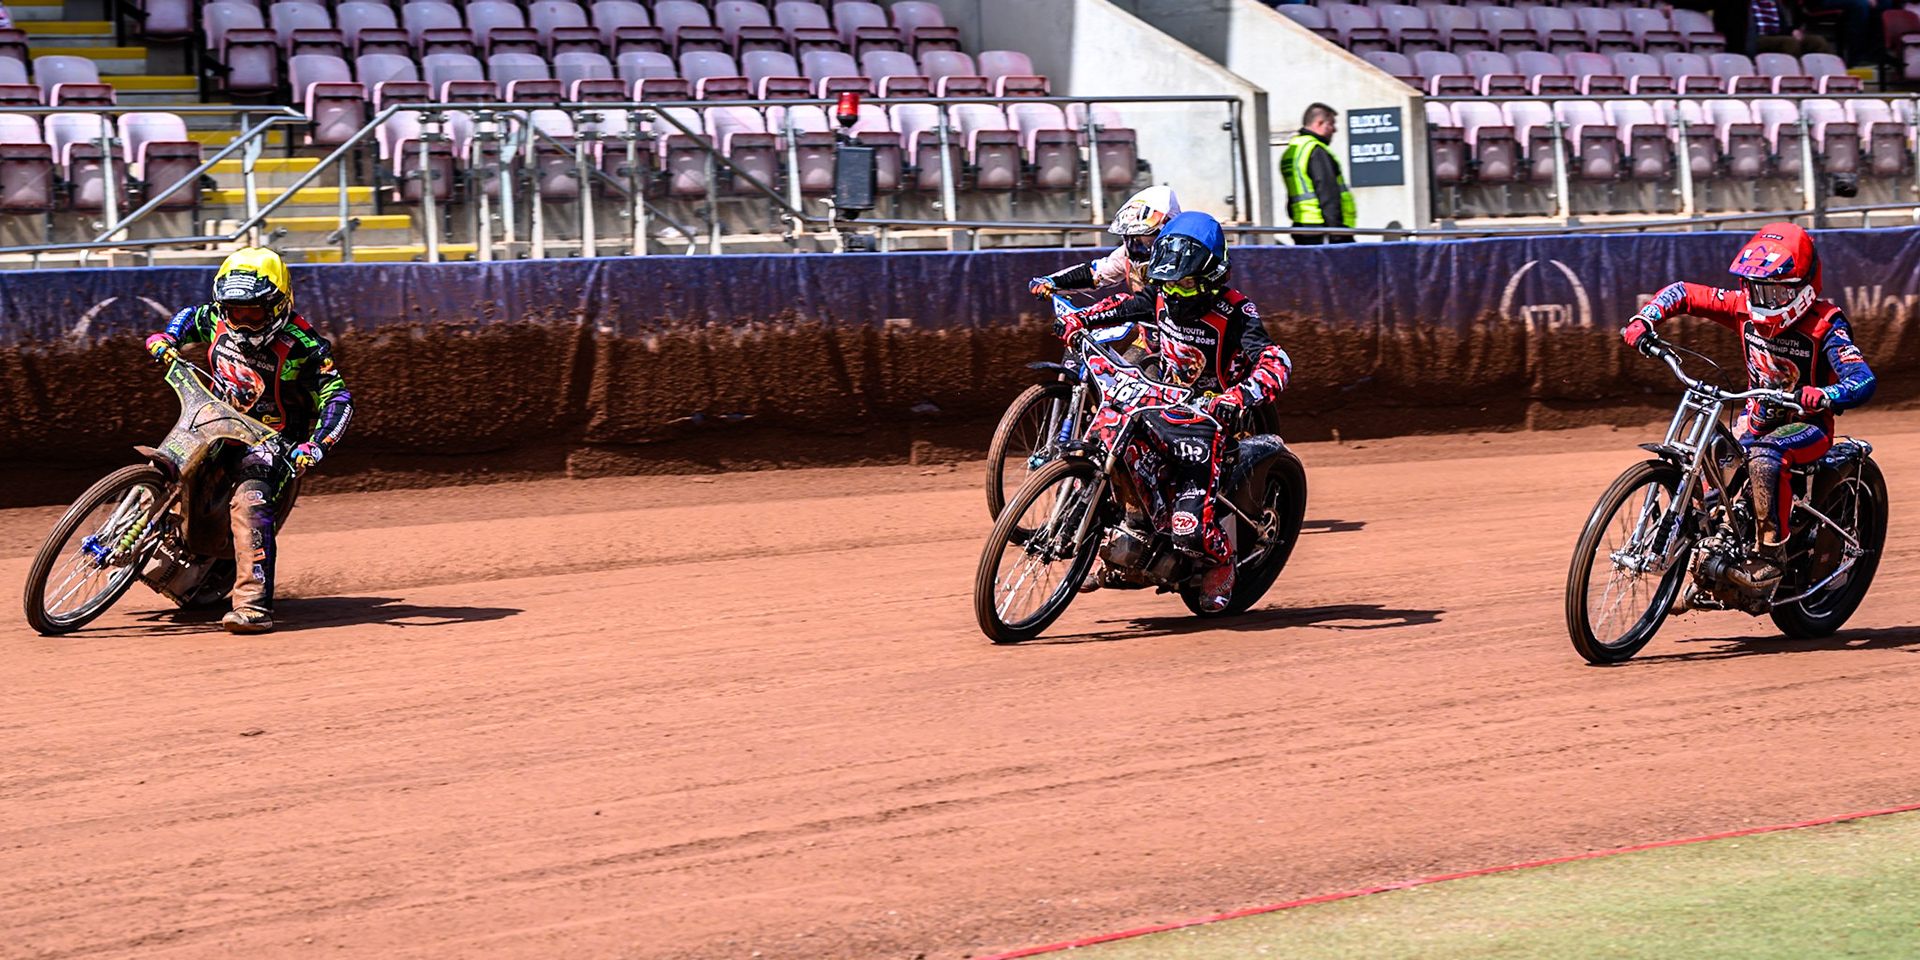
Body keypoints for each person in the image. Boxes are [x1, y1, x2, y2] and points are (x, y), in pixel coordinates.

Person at [1058, 212, 1293, 611]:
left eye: (1186, 284)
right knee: (1106, 442)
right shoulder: (1162, 293)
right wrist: (1082, 318)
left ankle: (1222, 560)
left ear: (1213, 276)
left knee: (1187, 528)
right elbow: (1123, 305)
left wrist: (1237, 396)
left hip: (1209, 421)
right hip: (1161, 401)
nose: (1176, 293)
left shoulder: (1237, 312)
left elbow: (1276, 361)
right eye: (1168, 283)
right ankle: (1113, 538)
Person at [1620, 222, 1874, 589]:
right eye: (1757, 288)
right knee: (1708, 451)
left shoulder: (1825, 325)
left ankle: (1771, 556)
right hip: (1755, 417)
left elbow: (1863, 378)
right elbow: (1684, 292)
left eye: (1773, 290)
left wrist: (1828, 394)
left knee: (1766, 456)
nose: (1763, 299)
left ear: (1802, 288)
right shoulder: (1742, 307)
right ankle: (1691, 543)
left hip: (1807, 426)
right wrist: (1647, 317)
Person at [144, 247, 354, 634]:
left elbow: (338, 399)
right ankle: (130, 535)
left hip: (270, 441)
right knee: (165, 460)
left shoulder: (304, 348)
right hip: (216, 416)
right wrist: (168, 337)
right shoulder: (216, 319)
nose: (240, 322)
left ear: (278, 306)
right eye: (233, 311)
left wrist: (317, 445)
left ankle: (253, 606)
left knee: (249, 501)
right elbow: (190, 317)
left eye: (252, 312)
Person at [1028, 185, 1181, 298]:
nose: (1139, 248)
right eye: (1133, 240)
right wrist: (1051, 282)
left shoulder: (1191, 258)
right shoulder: (1127, 255)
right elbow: (1095, 273)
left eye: (1147, 241)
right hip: (1150, 334)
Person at [1279, 102, 1354, 246]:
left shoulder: (1293, 151)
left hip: (1302, 227)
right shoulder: (1316, 151)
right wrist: (1338, 234)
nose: (1334, 130)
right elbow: (1328, 194)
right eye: (1331, 124)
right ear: (1319, 123)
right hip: (1323, 229)